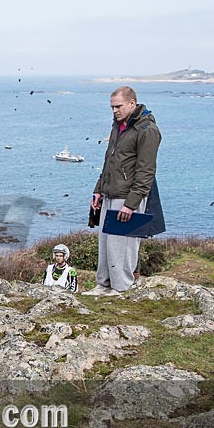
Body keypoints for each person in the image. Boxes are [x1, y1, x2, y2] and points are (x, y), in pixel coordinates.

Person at [82, 86, 161, 297]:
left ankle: (121, 287)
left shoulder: (147, 130)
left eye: (118, 106)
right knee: (106, 242)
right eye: (112, 107)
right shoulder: (118, 126)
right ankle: (104, 284)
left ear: (132, 103)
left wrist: (131, 203)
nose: (114, 111)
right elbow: (109, 161)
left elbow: (146, 172)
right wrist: (98, 190)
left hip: (127, 196)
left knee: (122, 245)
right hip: (110, 192)